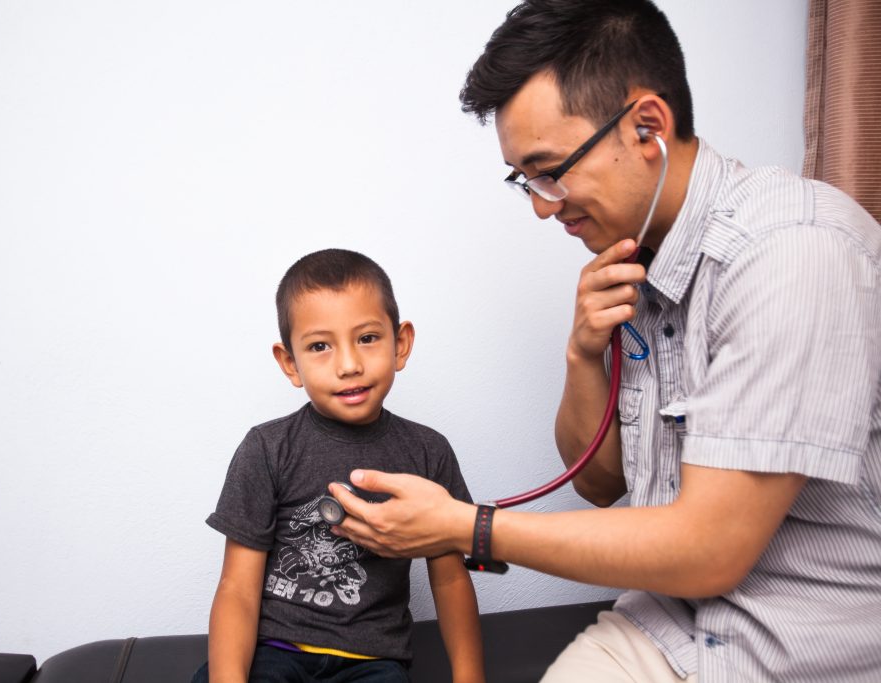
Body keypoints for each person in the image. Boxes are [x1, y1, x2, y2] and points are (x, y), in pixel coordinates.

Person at [327, 1, 881, 682]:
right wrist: (582, 352)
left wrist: (467, 526)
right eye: (523, 179)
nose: (540, 203)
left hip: (805, 651)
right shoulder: (637, 260)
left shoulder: (795, 255)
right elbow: (598, 482)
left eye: (550, 170)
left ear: (648, 125)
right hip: (668, 627)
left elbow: (711, 548)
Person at [193, 248, 485, 683]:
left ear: (400, 344)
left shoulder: (428, 452)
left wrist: (470, 678)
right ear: (290, 363)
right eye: (319, 346)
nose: (349, 365)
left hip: (374, 663)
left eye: (367, 338)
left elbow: (449, 580)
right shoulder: (267, 448)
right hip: (274, 652)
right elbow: (236, 589)